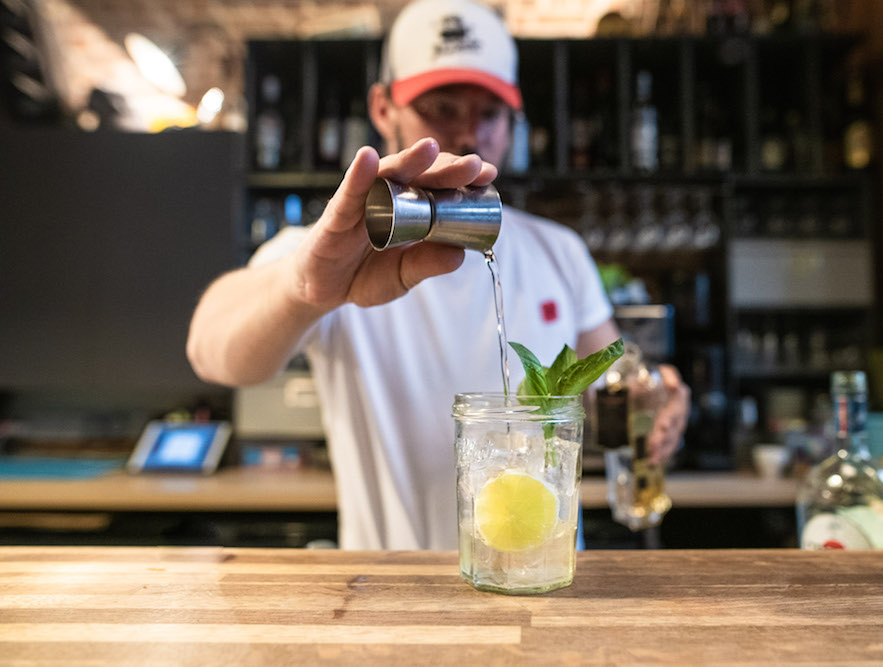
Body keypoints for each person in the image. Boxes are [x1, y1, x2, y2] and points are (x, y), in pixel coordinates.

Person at [187, 0, 690, 550]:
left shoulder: (558, 250)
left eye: (490, 113)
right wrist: (305, 291)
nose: (470, 132)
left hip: (541, 583)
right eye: (442, 108)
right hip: (389, 595)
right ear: (384, 109)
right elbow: (209, 350)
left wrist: (651, 406)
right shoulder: (324, 252)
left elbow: (602, 390)